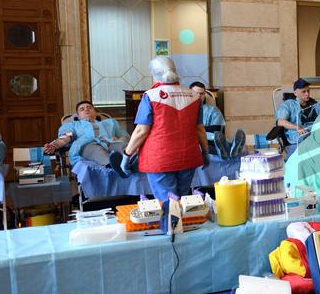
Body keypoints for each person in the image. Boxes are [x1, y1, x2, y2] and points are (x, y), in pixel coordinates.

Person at [117, 57, 210, 204]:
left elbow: (141, 131)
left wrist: (127, 155)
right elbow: (199, 129)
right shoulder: (193, 96)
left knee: (168, 204)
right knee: (181, 203)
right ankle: (182, 226)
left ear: (154, 74)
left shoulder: (151, 96)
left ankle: (171, 227)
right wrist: (205, 152)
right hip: (188, 156)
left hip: (160, 158)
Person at [43, 100, 129, 174]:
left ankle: (132, 162)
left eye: (89, 107)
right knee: (97, 150)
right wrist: (54, 145)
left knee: (121, 146)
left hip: (110, 142)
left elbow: (125, 136)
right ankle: (113, 166)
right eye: (82, 109)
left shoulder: (110, 122)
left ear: (95, 112)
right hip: (87, 145)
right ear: (78, 116)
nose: (86, 109)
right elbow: (66, 137)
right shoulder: (73, 125)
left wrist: (119, 139)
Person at [190, 82, 245, 159]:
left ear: (204, 94)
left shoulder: (213, 110)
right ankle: (230, 149)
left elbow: (217, 128)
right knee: (210, 147)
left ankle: (232, 148)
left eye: (201, 93)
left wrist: (197, 129)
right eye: (196, 93)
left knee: (217, 138)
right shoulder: (186, 110)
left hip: (213, 139)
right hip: (196, 141)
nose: (199, 96)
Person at [275, 79, 320, 150]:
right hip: (299, 135)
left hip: (315, 132)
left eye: (308, 91)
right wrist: (298, 127)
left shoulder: (315, 104)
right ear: (295, 93)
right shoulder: (288, 104)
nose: (307, 94)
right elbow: (280, 121)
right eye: (303, 92)